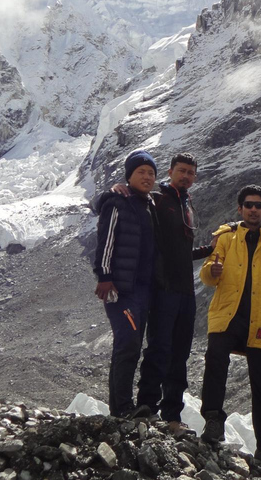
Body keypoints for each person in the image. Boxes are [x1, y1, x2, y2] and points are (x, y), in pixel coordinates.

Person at [102, 153, 215, 435]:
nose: (186, 176)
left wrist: (208, 251)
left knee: (180, 353)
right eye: (181, 171)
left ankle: (172, 415)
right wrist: (117, 187)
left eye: (191, 172)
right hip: (162, 289)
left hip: (185, 290)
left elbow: (178, 252)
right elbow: (120, 202)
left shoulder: (185, 203)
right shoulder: (158, 199)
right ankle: (146, 407)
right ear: (170, 171)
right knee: (159, 349)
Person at [199, 185, 261, 463]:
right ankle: (213, 420)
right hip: (228, 315)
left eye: (258, 205)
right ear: (240, 209)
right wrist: (211, 271)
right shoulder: (226, 238)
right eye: (248, 205)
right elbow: (208, 275)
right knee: (215, 360)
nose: (253, 209)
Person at [92, 149, 158, 419]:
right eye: (140, 172)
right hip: (121, 289)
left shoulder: (149, 205)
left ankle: (127, 406)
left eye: (151, 173)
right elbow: (106, 240)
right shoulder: (118, 202)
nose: (146, 177)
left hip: (143, 290)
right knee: (128, 343)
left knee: (133, 345)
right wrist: (105, 277)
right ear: (129, 176)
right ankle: (121, 408)